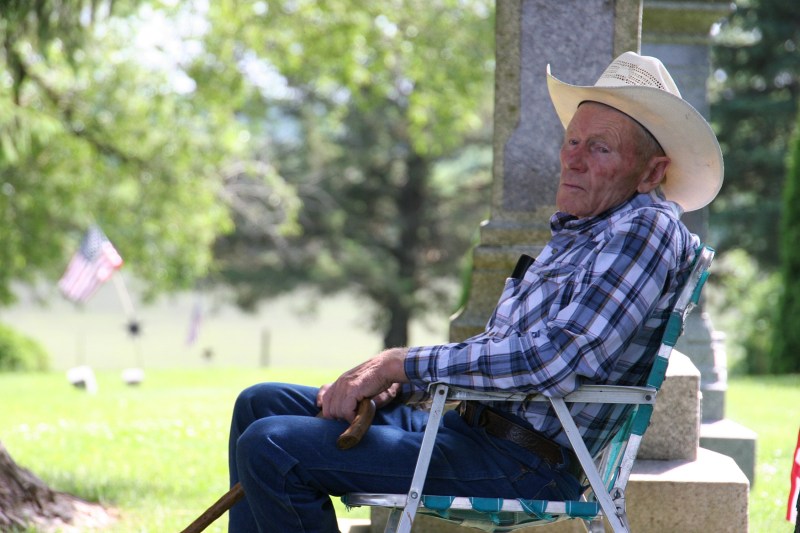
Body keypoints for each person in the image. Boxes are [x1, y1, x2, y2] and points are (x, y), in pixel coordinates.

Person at [226, 51, 723, 533]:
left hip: (519, 460)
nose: (573, 160)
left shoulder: (644, 228)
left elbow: (555, 359)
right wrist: (409, 386)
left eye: (600, 148)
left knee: (273, 446)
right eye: (572, 142)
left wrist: (400, 363)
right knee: (261, 404)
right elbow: (501, 352)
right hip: (466, 428)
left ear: (652, 171)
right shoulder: (586, 229)